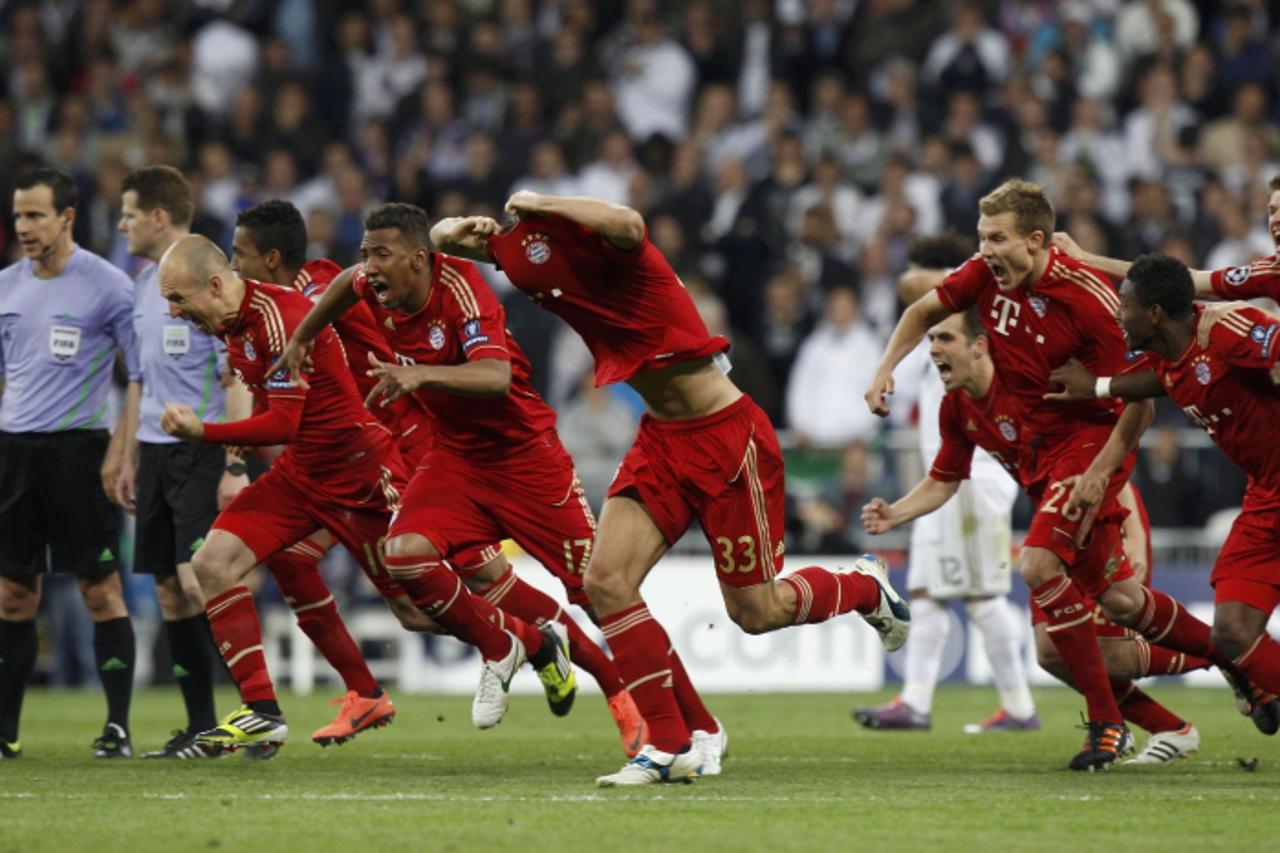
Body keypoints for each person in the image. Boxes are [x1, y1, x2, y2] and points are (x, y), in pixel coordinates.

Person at [428, 190, 909, 787]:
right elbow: (444, 239)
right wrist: (463, 227)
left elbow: (629, 220)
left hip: (728, 439)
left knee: (757, 613)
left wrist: (539, 198)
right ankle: (669, 744)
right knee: (604, 583)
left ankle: (863, 586)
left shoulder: (628, 254)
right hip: (660, 439)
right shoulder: (535, 256)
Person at [236, 199, 644, 756]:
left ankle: (588, 673)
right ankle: (519, 649)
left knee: (475, 587)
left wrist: (329, 341)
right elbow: (342, 293)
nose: (238, 271)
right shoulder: (287, 308)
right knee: (416, 599)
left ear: (273, 260)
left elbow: (348, 284)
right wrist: (304, 336)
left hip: (416, 447)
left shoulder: (326, 281)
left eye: (241, 257)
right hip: (390, 453)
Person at [864, 179, 1247, 770]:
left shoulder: (1087, 301)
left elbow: (1141, 401)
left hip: (1092, 451)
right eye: (980, 239)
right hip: (1051, 477)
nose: (985, 252)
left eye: (997, 238)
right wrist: (885, 371)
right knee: (1089, 628)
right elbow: (920, 310)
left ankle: (1107, 726)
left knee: (1039, 570)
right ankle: (1234, 664)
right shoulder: (961, 400)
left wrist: (1102, 476)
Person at [155, 234, 570, 754]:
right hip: (303, 476)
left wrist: (205, 434)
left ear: (215, 284)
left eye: (178, 298)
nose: (173, 312)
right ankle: (264, 709)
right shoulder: (232, 325)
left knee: (417, 614)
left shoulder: (279, 316)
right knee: (212, 564)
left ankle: (530, 641)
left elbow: (284, 421)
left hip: (361, 480)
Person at [862, 309, 1208, 763]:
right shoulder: (958, 408)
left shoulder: (1031, 379)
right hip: (1057, 518)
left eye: (944, 338)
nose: (932, 350)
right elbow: (945, 477)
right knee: (1051, 653)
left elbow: (1104, 443)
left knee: (1106, 646)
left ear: (980, 346)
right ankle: (1176, 719)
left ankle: (1218, 662)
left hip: (1096, 511)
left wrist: (1135, 529)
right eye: (930, 339)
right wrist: (896, 513)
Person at [1042, 253, 1280, 731]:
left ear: (1152, 313)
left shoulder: (1228, 328)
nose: (1117, 314)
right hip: (1266, 497)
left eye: (1125, 305)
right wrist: (1100, 388)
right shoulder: (1165, 354)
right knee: (1231, 634)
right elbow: (1166, 380)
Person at [853, 234, 1037, 736]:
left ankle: (1019, 707)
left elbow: (917, 284)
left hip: (974, 477)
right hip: (949, 476)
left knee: (979, 596)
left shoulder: (971, 305)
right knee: (929, 590)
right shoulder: (945, 327)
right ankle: (917, 701)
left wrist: (926, 275)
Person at [0, 168, 139, 759]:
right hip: (13, 453)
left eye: (35, 216)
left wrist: (120, 448)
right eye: (18, 216)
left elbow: (139, 374)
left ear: (67, 218)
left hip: (80, 450)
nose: (24, 228)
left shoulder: (108, 285)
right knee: (12, 596)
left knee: (100, 590)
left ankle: (117, 727)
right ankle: (4, 731)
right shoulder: (5, 285)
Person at [112, 165, 231, 758]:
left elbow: (239, 374)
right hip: (156, 453)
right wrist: (128, 454)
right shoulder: (140, 287)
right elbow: (138, 381)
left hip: (202, 448)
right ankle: (202, 727)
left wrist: (234, 458)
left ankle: (257, 713)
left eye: (130, 213)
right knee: (168, 590)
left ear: (159, 217)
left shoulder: (210, 278)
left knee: (198, 578)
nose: (122, 224)